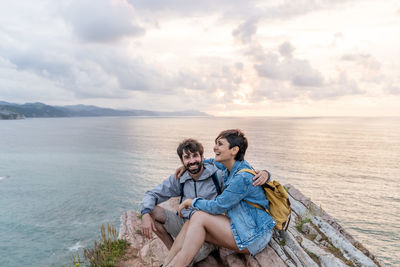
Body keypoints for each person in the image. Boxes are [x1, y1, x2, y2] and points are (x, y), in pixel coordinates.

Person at [140, 138, 269, 264]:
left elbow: (244, 175)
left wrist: (265, 173)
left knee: (187, 253)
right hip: (185, 224)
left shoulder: (218, 174)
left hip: (209, 229)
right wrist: (145, 213)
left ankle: (180, 257)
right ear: (182, 161)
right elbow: (151, 194)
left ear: (202, 157)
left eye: (195, 156)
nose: (192, 161)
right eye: (187, 158)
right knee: (152, 211)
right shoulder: (180, 177)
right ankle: (171, 256)